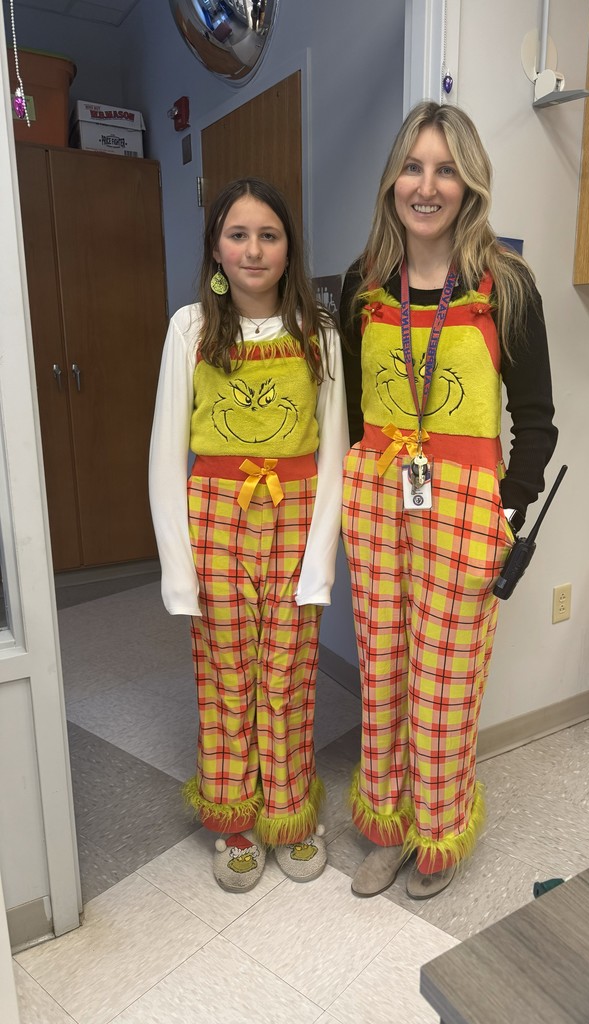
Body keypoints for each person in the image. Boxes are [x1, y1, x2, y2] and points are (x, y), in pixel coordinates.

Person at [340, 101, 558, 900]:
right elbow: (355, 413)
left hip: (465, 509)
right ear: (393, 179)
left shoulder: (510, 287)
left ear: (468, 183)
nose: (425, 185)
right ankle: (390, 828)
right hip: (378, 501)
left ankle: (441, 833)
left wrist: (506, 511)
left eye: (444, 169)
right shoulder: (360, 288)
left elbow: (536, 422)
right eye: (412, 166)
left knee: (444, 685)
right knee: (385, 672)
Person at [149, 178, 348, 893]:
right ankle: (235, 818)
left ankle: (289, 813)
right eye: (238, 235)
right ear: (215, 248)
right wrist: (179, 564)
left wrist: (320, 556)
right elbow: (167, 450)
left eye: (269, 235)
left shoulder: (319, 331)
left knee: (290, 678)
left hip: (294, 521)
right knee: (226, 679)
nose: (253, 249)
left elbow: (336, 454)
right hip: (215, 521)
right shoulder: (189, 329)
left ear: (289, 248)